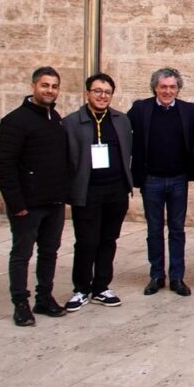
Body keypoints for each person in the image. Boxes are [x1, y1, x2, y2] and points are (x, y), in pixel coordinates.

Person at [0, 66, 69, 326]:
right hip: (28, 205)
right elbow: (4, 166)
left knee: (50, 251)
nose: (50, 90)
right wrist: (17, 204)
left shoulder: (55, 118)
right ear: (33, 87)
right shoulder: (15, 121)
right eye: (45, 85)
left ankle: (44, 297)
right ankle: (20, 303)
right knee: (22, 253)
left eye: (54, 86)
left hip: (54, 201)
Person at [62, 72, 135, 311]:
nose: (102, 96)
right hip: (88, 191)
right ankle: (81, 288)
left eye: (107, 92)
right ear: (87, 93)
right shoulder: (72, 122)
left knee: (108, 239)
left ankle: (101, 286)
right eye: (97, 91)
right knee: (86, 241)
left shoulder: (121, 120)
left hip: (116, 190)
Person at [128, 67, 194, 297]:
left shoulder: (189, 110)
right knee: (154, 229)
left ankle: (177, 277)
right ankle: (156, 275)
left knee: (177, 229)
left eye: (172, 87)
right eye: (163, 87)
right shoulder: (140, 109)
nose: (168, 91)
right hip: (152, 180)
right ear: (155, 88)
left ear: (178, 89)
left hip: (179, 180)